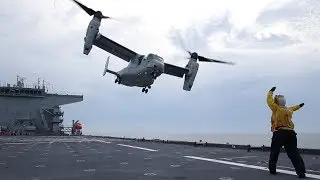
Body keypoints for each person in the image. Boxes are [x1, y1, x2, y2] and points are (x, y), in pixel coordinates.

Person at [266, 86, 306, 178]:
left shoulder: (276, 108)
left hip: (279, 132)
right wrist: (300, 105)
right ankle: (301, 172)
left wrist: (270, 92)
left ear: (276, 101)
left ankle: (272, 170)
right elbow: (294, 108)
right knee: (294, 153)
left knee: (274, 152)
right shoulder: (288, 109)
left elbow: (269, 101)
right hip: (291, 133)